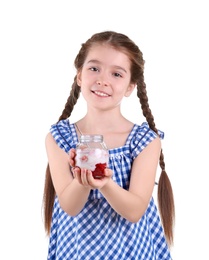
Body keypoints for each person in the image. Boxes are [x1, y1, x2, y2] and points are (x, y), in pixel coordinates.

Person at [43, 31, 175, 260]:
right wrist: (82, 181)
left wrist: (105, 183)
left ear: (130, 87)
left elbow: (134, 211)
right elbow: (70, 206)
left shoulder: (144, 140)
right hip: (77, 251)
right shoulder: (59, 138)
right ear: (80, 76)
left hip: (131, 251)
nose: (103, 80)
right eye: (94, 68)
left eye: (116, 74)